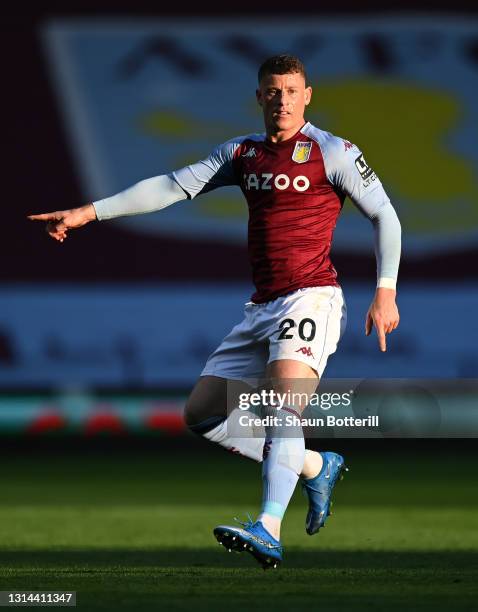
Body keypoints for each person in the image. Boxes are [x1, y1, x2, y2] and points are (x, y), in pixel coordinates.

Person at [29, 54, 401, 569]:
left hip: (312, 295)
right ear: (259, 97)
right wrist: (89, 211)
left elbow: (384, 213)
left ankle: (268, 527)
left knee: (280, 407)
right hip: (263, 306)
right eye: (273, 91)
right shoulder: (241, 154)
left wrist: (385, 290)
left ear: (308, 95)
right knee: (203, 415)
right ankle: (315, 466)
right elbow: (168, 187)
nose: (283, 100)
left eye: (292, 91)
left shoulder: (332, 152)